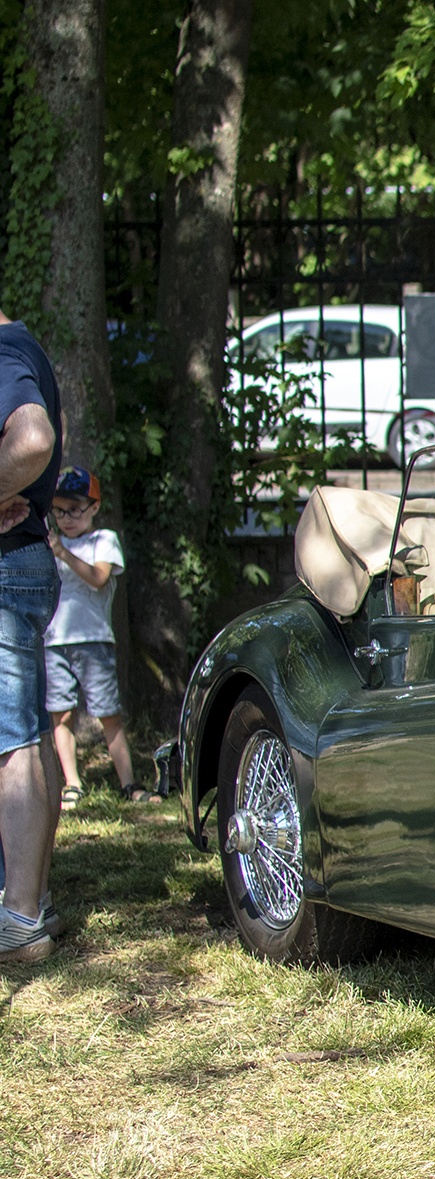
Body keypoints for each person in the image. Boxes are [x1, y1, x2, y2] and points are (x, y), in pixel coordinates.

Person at [0, 307, 64, 963]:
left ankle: (18, 921)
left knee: (10, 740)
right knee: (32, 731)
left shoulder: (0, 354)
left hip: (5, 563)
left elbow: (34, 440)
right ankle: (33, 902)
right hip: (24, 560)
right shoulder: (25, 345)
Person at [45, 466, 150, 807]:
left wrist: (62, 553)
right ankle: (72, 783)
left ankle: (129, 784)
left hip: (94, 641)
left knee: (109, 715)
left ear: (93, 507)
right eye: (59, 510)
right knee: (60, 714)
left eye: (74, 509)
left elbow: (99, 578)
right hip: (53, 642)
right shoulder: (48, 545)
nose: (66, 517)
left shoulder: (103, 540)